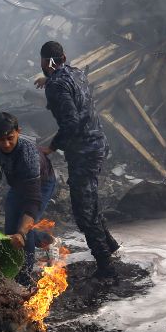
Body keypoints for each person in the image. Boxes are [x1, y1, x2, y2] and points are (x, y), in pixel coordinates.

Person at [34, 41, 119, 280]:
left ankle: (106, 267)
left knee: (83, 211)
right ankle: (110, 246)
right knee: (89, 200)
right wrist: (47, 80)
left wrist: (51, 146)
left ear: (45, 62)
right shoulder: (77, 72)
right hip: (98, 144)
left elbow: (71, 122)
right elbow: (66, 84)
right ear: (63, 57)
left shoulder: (57, 85)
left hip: (84, 152)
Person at [0, 112, 56, 286]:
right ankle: (45, 239)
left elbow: (33, 200)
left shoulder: (29, 155)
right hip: (17, 185)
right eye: (1, 140)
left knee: (22, 233)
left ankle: (25, 280)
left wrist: (22, 232)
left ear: (18, 132)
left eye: (10, 138)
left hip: (41, 185)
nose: (6, 144)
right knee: (9, 232)